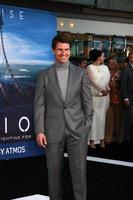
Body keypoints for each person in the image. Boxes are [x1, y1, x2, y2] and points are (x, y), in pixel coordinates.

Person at [34, 34, 93, 200]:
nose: (63, 53)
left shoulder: (81, 74)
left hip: (77, 130)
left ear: (70, 50)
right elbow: (39, 105)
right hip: (52, 130)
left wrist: (86, 125)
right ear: (53, 51)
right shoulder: (43, 76)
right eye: (59, 49)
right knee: (53, 175)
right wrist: (39, 130)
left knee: (79, 174)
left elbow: (87, 102)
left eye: (66, 49)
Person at [87, 49, 110, 149]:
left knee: (102, 119)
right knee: (94, 119)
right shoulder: (90, 67)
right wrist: (102, 90)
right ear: (98, 57)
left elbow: (106, 80)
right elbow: (94, 82)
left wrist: (107, 89)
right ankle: (92, 140)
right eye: (103, 56)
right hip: (94, 98)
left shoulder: (105, 67)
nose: (104, 58)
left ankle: (101, 139)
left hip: (104, 98)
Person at [105, 57, 123, 144]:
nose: (112, 64)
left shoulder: (120, 72)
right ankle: (108, 138)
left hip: (118, 98)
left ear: (116, 63)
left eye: (113, 62)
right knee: (109, 119)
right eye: (110, 62)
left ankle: (118, 138)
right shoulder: (105, 72)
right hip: (108, 98)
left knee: (118, 119)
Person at [120, 52, 133, 145]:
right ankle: (126, 137)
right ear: (129, 58)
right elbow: (123, 85)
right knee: (129, 119)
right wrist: (125, 98)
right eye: (132, 57)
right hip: (129, 99)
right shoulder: (126, 69)